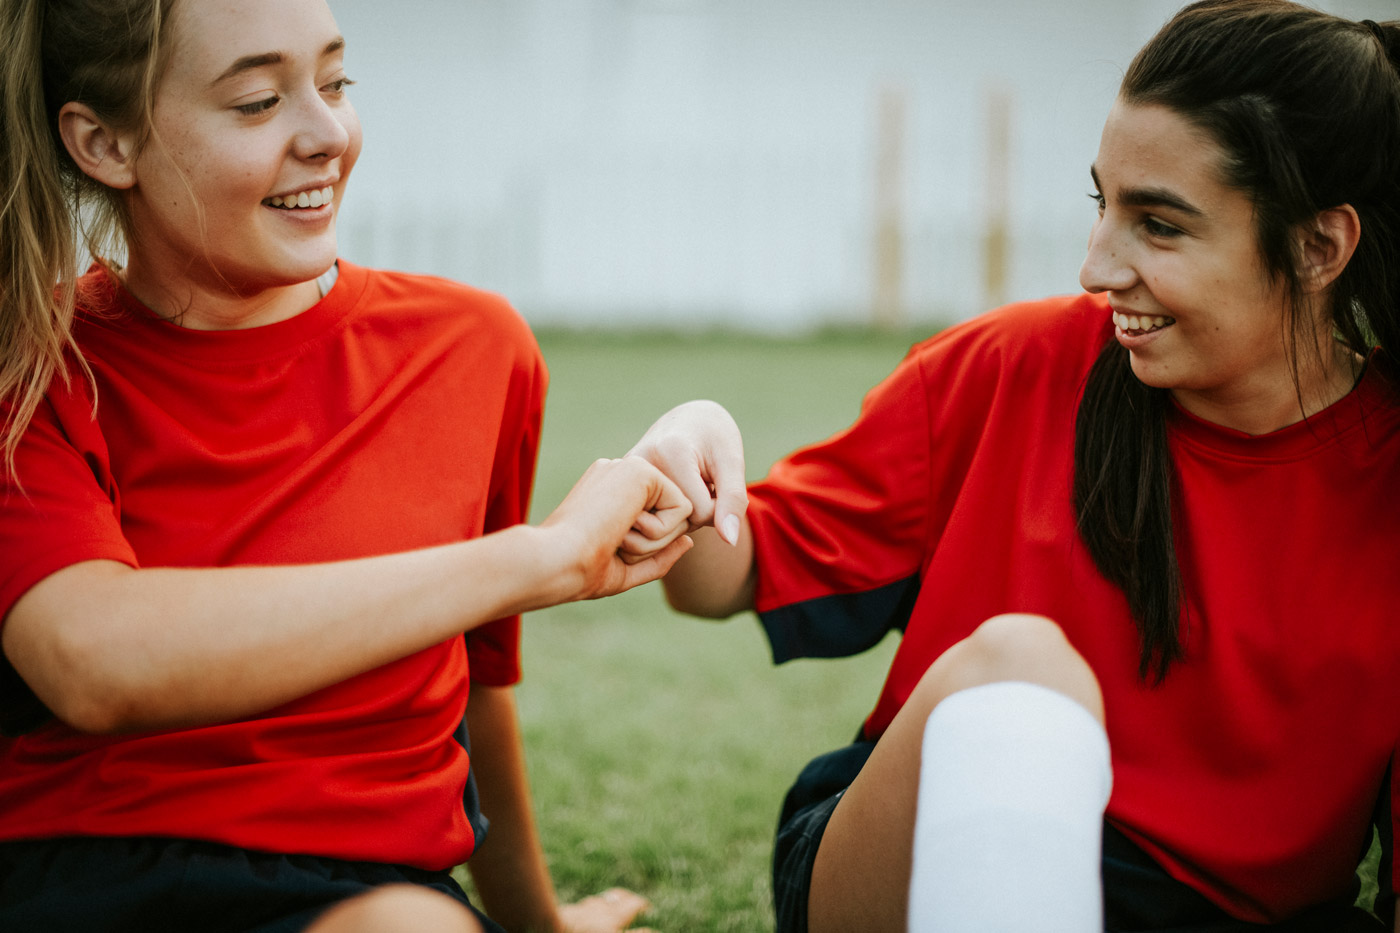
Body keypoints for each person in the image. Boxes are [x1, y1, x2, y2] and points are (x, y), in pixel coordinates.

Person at [630, 1, 1400, 930]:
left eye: (1159, 225)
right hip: (914, 856)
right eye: (1102, 205)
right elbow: (726, 577)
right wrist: (686, 459)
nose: (1095, 267)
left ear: (1320, 247)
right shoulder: (1014, 366)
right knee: (1017, 660)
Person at [0, 1, 696, 931]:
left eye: (335, 82)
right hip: (72, 879)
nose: (327, 134)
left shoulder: (475, 348)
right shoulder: (30, 363)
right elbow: (93, 660)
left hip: (360, 893)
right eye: (258, 101)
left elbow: (472, 684)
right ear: (104, 143)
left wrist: (539, 922)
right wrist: (543, 557)